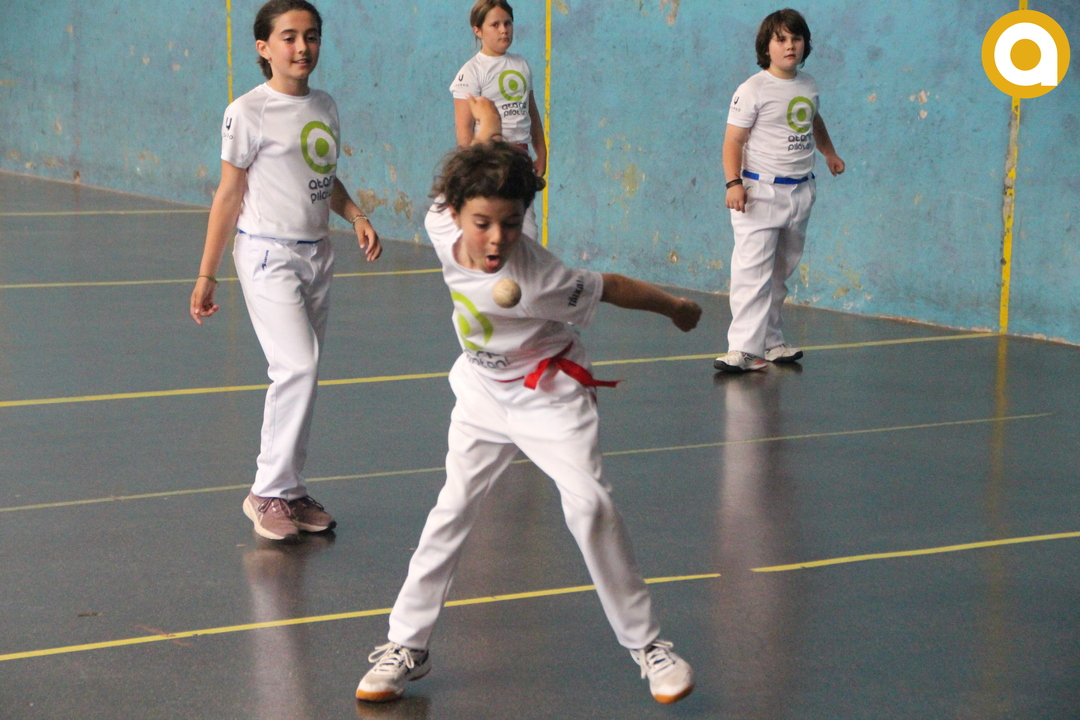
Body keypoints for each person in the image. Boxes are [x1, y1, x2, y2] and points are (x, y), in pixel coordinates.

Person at [355, 98, 701, 706]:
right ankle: (405, 646)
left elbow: (612, 287)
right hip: (483, 392)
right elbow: (478, 151)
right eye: (484, 222)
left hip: (549, 394)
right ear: (455, 212)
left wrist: (677, 308)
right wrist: (487, 121)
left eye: (512, 224)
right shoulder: (440, 224)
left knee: (590, 505)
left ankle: (649, 647)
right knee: (452, 508)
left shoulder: (540, 278)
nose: (497, 239)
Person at [189, 0, 382, 541]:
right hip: (266, 253)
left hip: (318, 253)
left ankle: (291, 491)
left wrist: (356, 215)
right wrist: (207, 274)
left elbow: (321, 176)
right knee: (296, 365)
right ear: (264, 47)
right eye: (290, 37)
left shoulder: (325, 105)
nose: (302, 47)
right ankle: (266, 492)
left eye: (311, 36)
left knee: (305, 371)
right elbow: (229, 194)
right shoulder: (247, 111)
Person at [715, 8, 845, 373]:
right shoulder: (752, 90)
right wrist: (733, 183)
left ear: (805, 44)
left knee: (778, 273)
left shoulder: (808, 85)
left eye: (796, 39)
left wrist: (829, 152)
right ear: (766, 47)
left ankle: (771, 342)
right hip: (759, 193)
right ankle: (743, 348)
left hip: (800, 192)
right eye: (781, 39)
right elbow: (733, 140)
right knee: (752, 273)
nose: (790, 46)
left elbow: (813, 120)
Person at [450, 0, 547, 239]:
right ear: (478, 30)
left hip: (521, 160)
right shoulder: (471, 72)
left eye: (508, 23)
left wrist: (541, 152)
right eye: (495, 25)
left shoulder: (521, 64)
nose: (504, 30)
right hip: (490, 162)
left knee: (528, 234)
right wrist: (473, 172)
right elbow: (464, 131)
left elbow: (531, 112)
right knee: (499, 232)